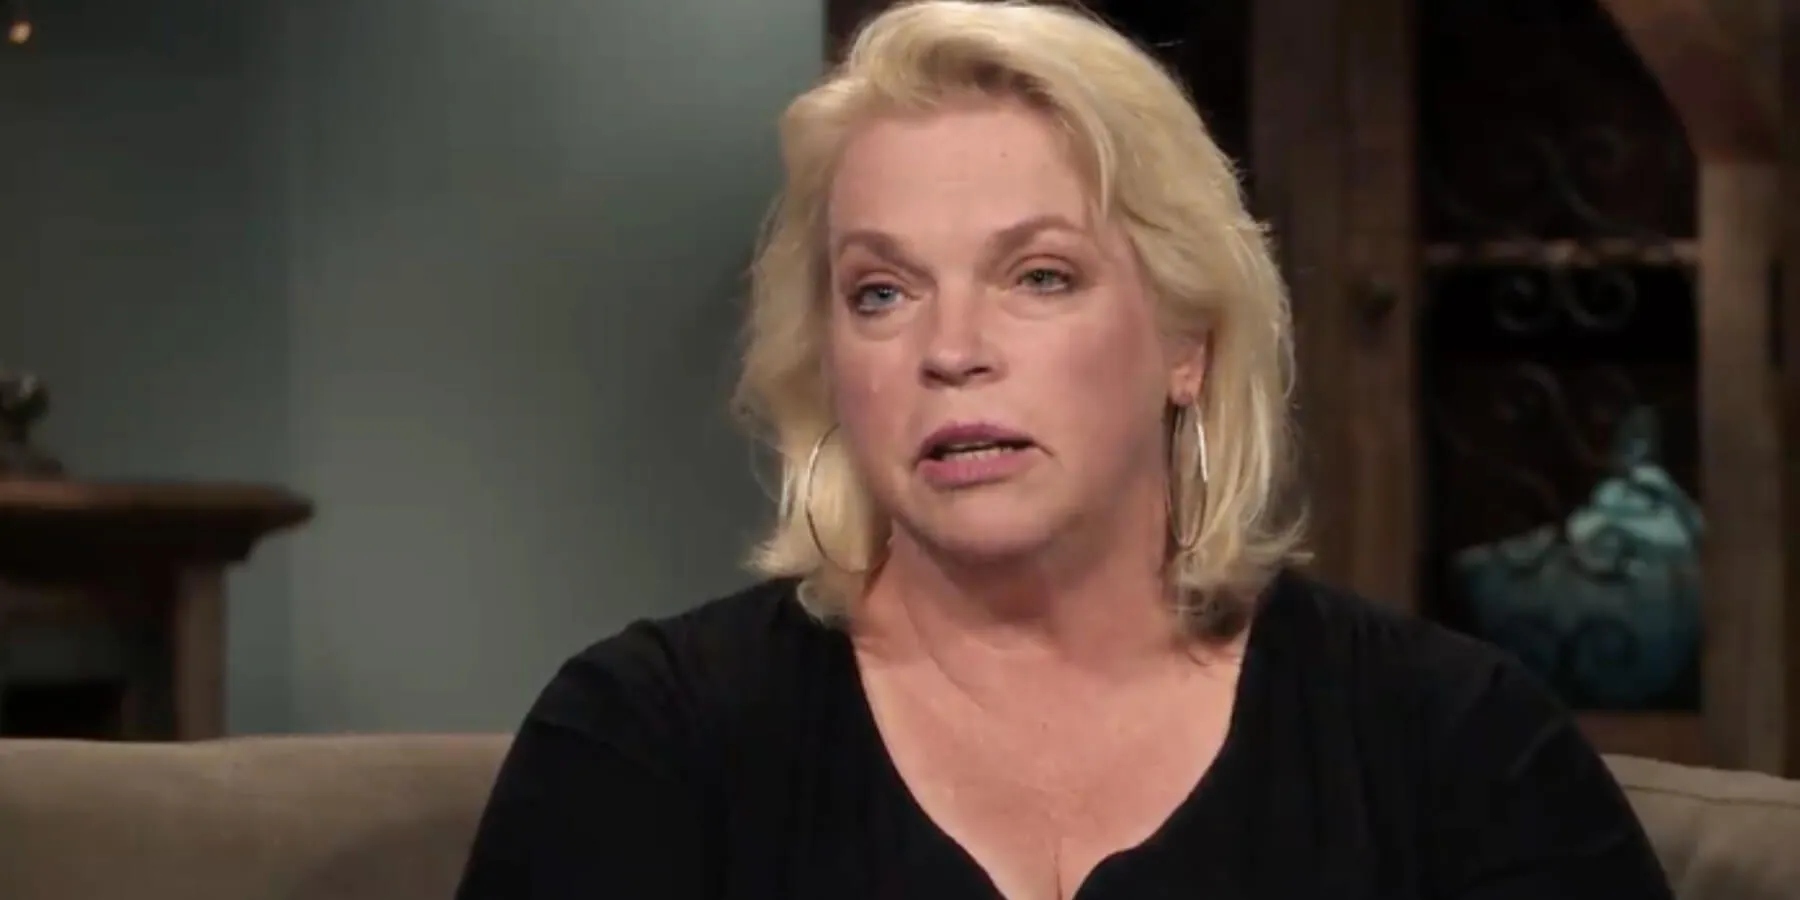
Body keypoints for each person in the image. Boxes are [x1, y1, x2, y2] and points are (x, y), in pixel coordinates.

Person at [454, 2, 1675, 898]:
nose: (951, 349)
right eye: (881, 292)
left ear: (1187, 339)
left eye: (1039, 275)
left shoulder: (1452, 748)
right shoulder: (650, 742)